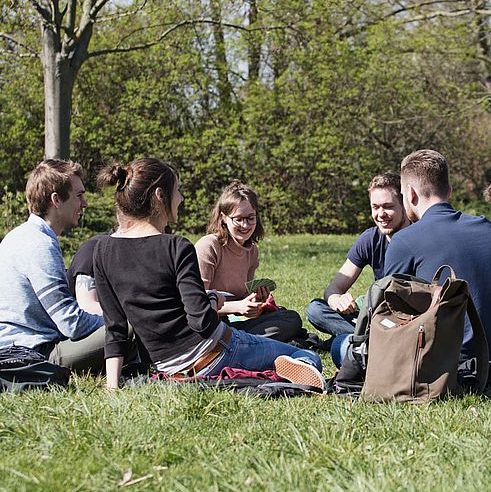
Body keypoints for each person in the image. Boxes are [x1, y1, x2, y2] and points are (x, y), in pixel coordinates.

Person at [93, 158, 324, 390]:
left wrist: (113, 388)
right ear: (159, 195)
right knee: (308, 357)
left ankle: (258, 371)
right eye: (178, 190)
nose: (181, 198)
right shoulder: (176, 246)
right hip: (214, 351)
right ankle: (270, 371)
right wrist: (214, 299)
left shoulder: (101, 250)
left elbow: (115, 327)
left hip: (166, 367)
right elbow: (201, 321)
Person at [380, 149, 491, 373]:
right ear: (449, 190)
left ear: (410, 194)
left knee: (342, 347)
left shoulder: (404, 241)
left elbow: (390, 317)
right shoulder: (488, 229)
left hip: (450, 367)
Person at [0, 159, 105, 372]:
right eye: (79, 196)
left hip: (14, 347)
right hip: (34, 353)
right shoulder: (40, 244)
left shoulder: (18, 236)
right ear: (56, 200)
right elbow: (71, 324)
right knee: (130, 327)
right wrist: (115, 317)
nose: (84, 204)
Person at [194, 181, 304, 342]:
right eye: (238, 219)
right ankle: (245, 344)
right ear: (224, 218)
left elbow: (242, 296)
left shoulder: (251, 251)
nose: (245, 225)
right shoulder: (209, 246)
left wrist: (256, 303)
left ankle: (245, 343)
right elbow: (196, 305)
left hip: (229, 326)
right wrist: (237, 307)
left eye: (250, 218)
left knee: (291, 318)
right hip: (207, 328)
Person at [306, 172, 410, 338]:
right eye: (375, 207)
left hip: (409, 320)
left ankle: (362, 339)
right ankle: (370, 338)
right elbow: (333, 288)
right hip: (376, 317)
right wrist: (338, 301)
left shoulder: (419, 237)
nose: (381, 214)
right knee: (315, 309)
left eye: (388, 206)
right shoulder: (370, 239)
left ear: (405, 204)